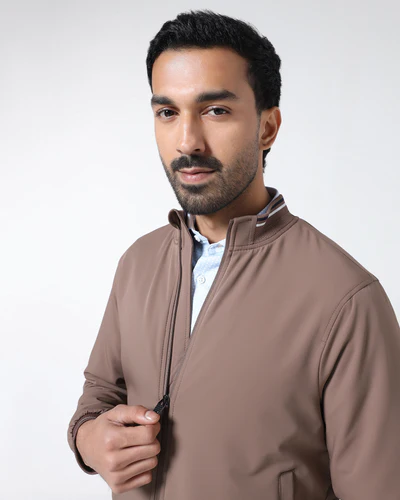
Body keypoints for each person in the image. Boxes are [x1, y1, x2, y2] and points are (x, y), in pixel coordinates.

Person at [67, 9, 400, 500]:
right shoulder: (138, 263)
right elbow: (100, 394)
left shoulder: (346, 299)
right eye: (167, 112)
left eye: (215, 110)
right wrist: (88, 440)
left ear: (267, 127)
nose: (187, 141)